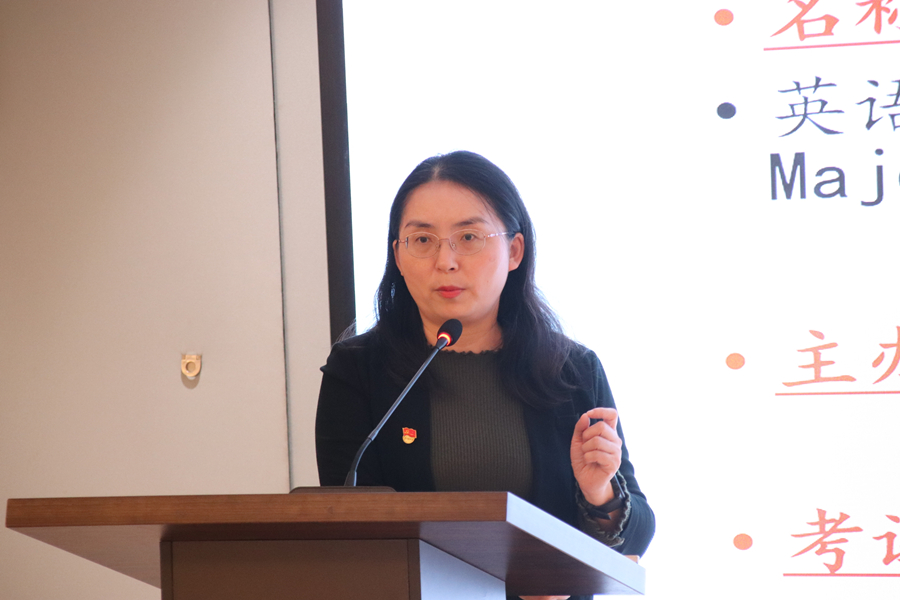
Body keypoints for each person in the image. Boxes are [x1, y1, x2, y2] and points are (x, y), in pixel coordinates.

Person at [315, 150, 655, 600]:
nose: (446, 261)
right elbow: (350, 532)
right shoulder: (357, 370)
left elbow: (636, 536)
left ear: (514, 251)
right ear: (397, 254)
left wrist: (599, 492)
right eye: (422, 239)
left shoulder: (570, 370)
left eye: (469, 237)